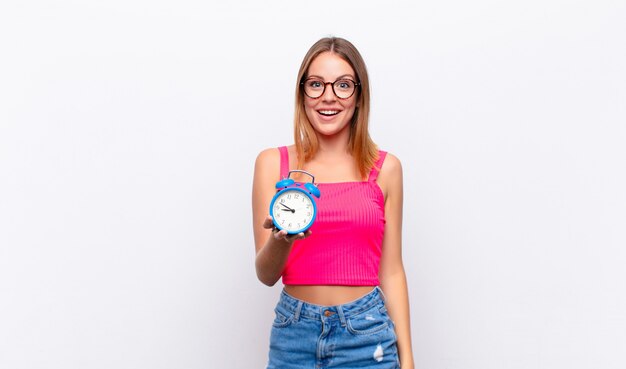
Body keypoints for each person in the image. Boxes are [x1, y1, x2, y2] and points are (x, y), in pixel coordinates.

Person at [252, 37, 414, 369]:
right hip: (294, 333)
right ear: (302, 94)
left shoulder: (386, 169)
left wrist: (408, 359)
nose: (329, 96)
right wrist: (281, 239)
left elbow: (392, 270)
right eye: (316, 84)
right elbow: (266, 274)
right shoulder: (273, 163)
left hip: (367, 334)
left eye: (342, 85)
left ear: (359, 95)